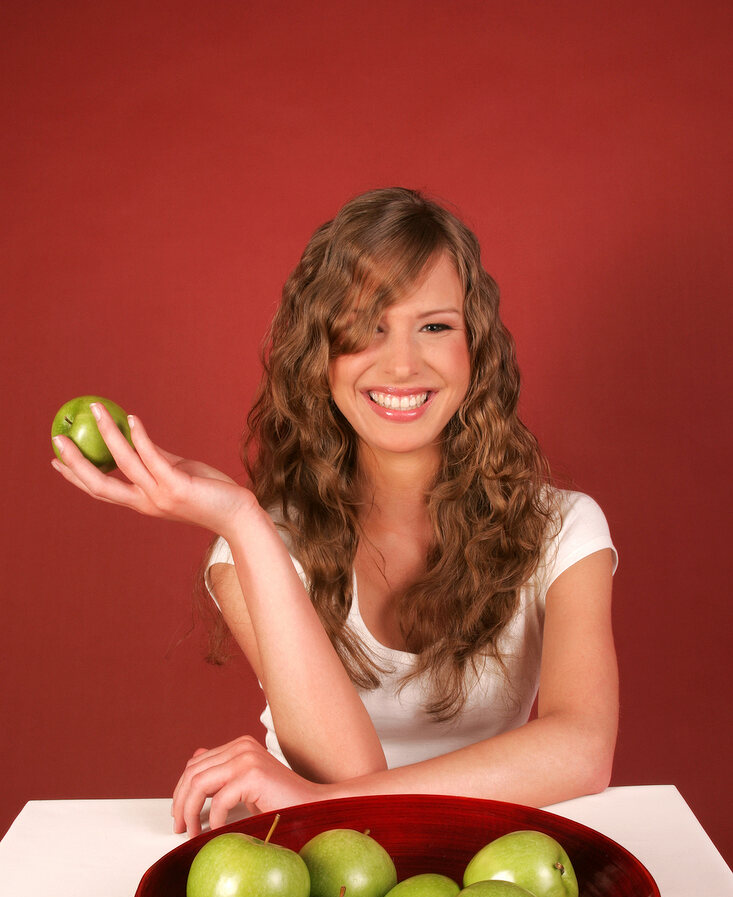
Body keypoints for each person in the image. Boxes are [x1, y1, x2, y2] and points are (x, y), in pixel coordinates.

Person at [52, 187, 618, 836]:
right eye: (364, 327)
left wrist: (313, 802)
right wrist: (241, 521)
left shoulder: (563, 529)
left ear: (476, 350)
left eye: (435, 326)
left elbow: (582, 748)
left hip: (491, 861)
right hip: (322, 863)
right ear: (320, 356)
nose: (402, 363)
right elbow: (348, 777)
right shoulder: (258, 546)